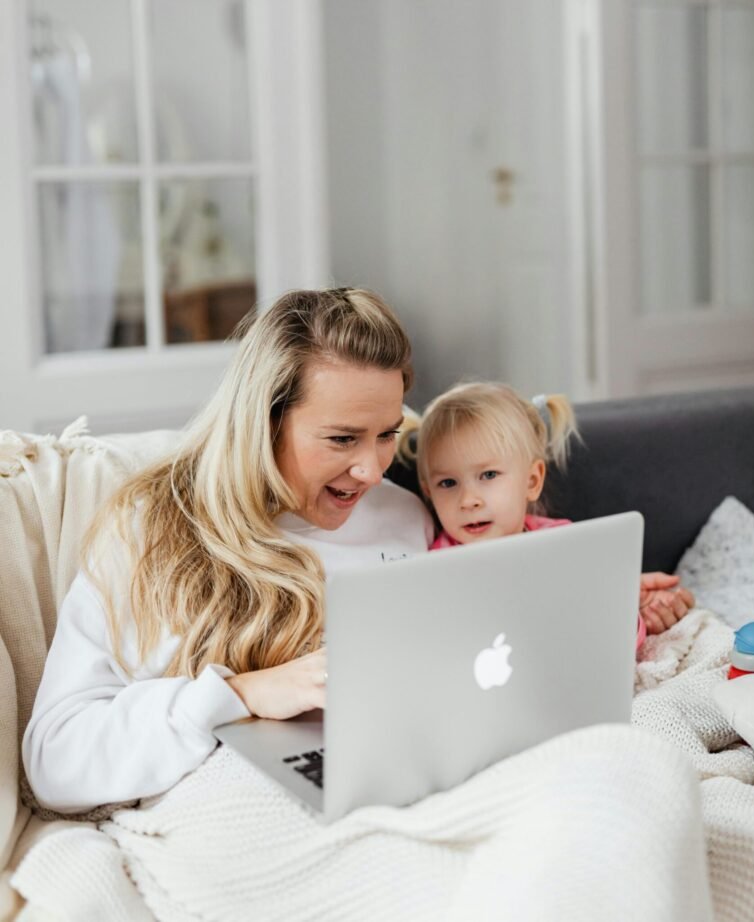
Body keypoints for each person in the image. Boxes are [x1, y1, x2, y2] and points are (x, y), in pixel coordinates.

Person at [23, 288, 433, 814]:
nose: (372, 471)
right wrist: (241, 696)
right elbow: (57, 759)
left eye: (387, 434)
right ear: (263, 422)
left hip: (402, 779)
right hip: (246, 809)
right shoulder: (152, 534)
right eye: (341, 439)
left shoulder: (407, 518)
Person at [413, 381, 695, 647]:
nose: (468, 500)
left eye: (488, 475)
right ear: (429, 493)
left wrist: (634, 613)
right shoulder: (433, 569)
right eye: (447, 483)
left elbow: (610, 638)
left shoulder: (564, 545)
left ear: (532, 481)